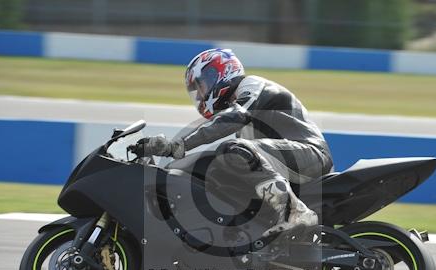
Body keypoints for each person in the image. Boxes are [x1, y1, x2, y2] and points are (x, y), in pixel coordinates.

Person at [138, 48, 333, 236]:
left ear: (221, 72)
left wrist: (178, 145)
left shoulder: (252, 86)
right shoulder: (244, 123)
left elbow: (234, 117)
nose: (200, 95)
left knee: (233, 151)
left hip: (310, 154)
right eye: (196, 91)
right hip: (287, 163)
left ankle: (295, 212)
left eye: (202, 85)